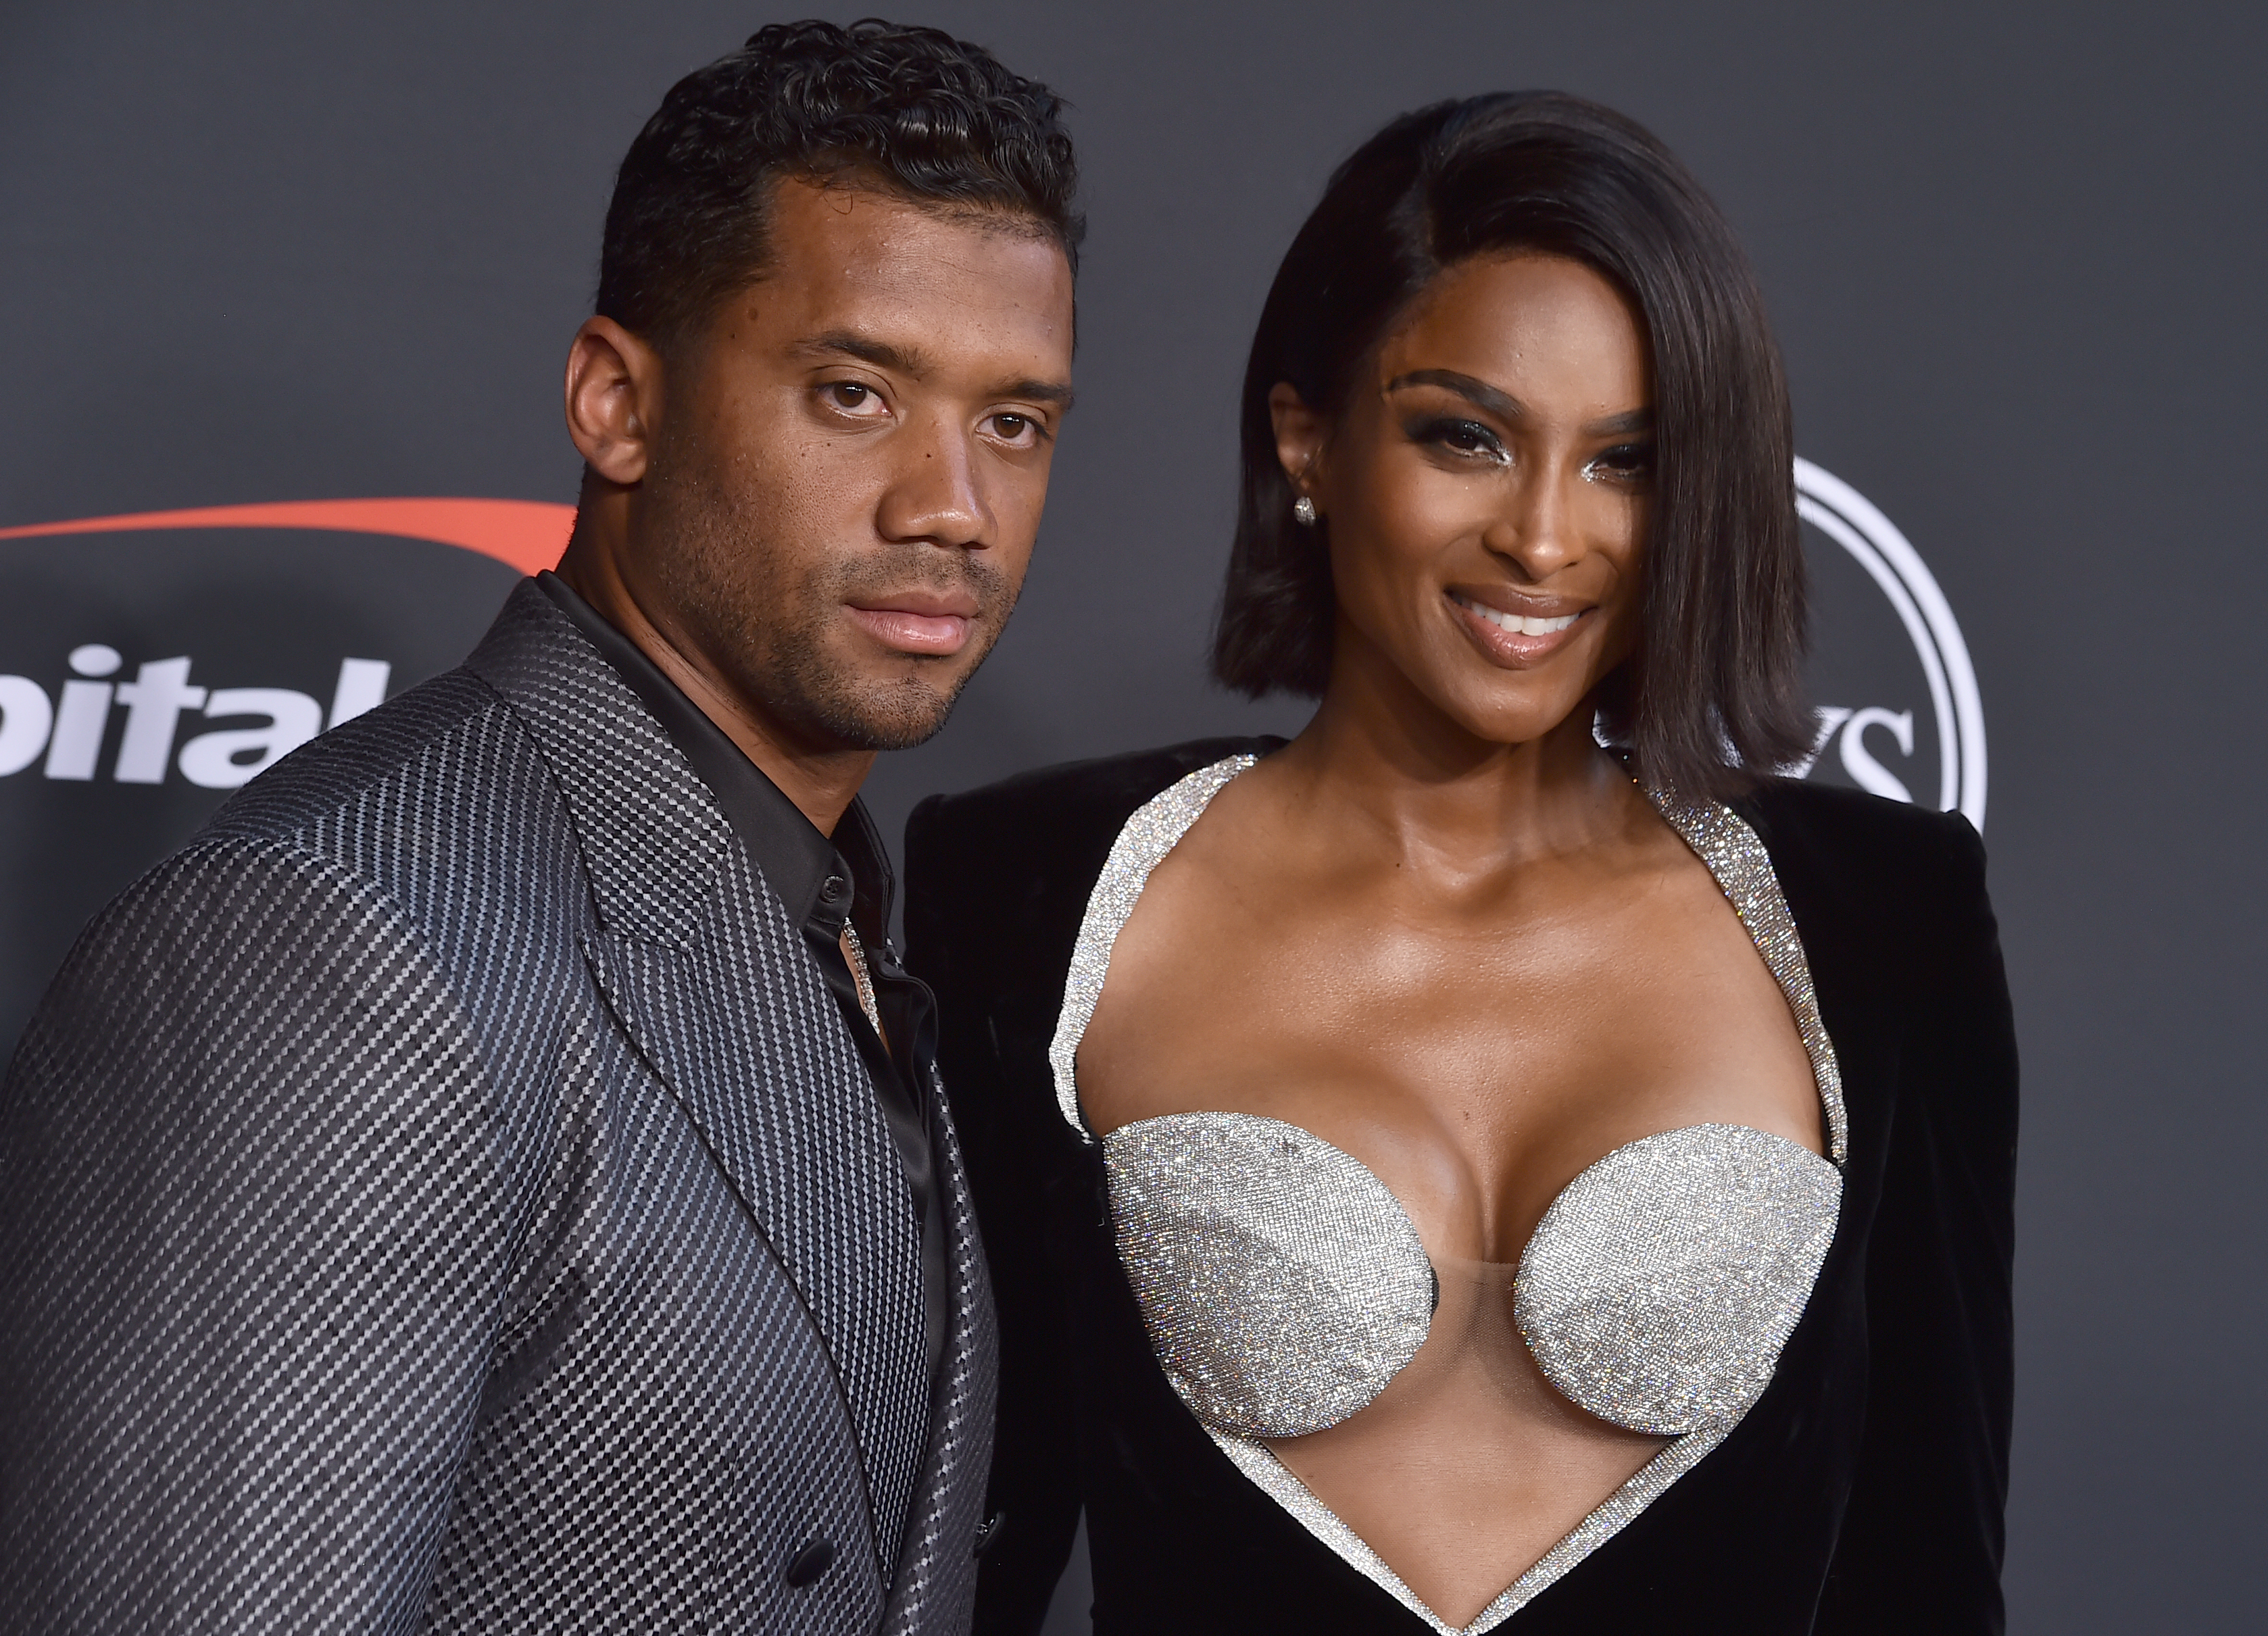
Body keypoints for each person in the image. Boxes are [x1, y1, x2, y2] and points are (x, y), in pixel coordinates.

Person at [0, 20, 1079, 1633]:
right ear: (616, 402)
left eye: (1013, 422)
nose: (951, 507)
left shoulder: (836, 912)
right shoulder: (330, 944)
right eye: (854, 393)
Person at [907, 92, 2015, 1635]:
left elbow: (1927, 1567)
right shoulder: (1029, 886)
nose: (1545, 540)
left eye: (1626, 462)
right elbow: (968, 1544)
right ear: (1307, 436)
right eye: (1465, 437)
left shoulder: (1883, 915)